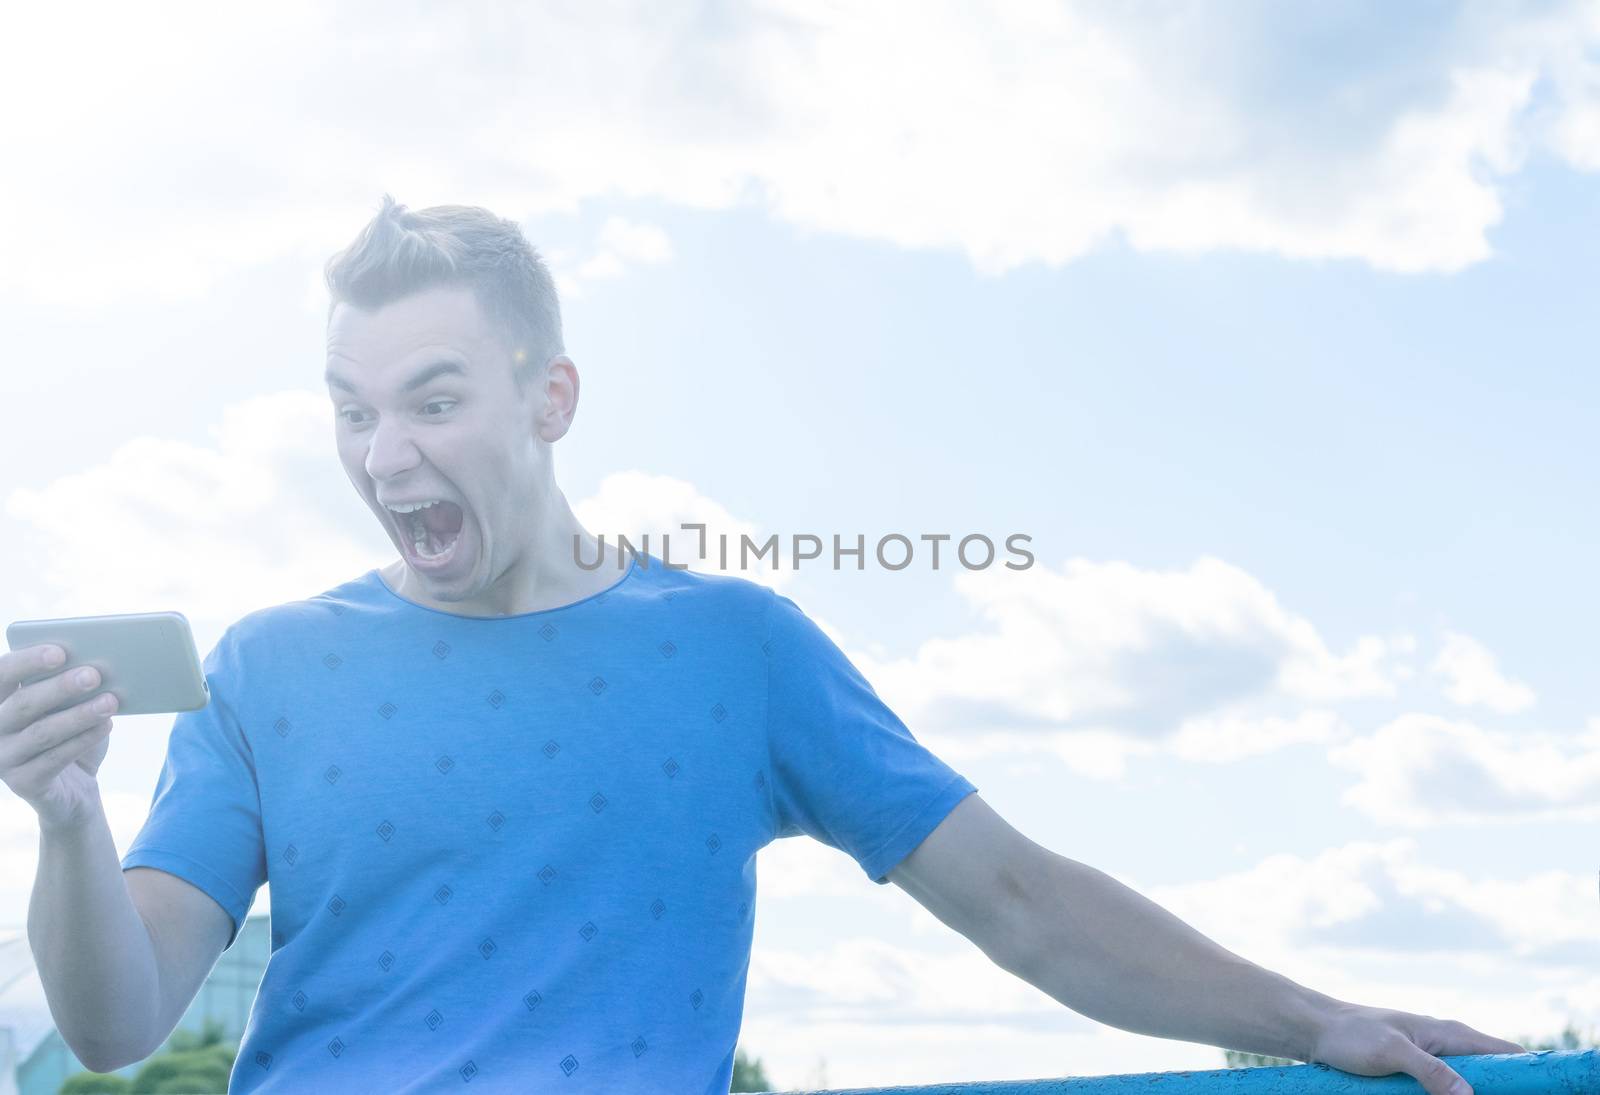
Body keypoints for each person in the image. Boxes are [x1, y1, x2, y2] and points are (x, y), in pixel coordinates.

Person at [9, 197, 1521, 1094]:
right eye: (350, 409)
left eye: (434, 399)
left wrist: (1313, 1019)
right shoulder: (267, 673)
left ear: (551, 399)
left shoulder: (737, 649)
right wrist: (68, 820)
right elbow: (116, 1023)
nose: (386, 454)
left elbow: (1023, 904)